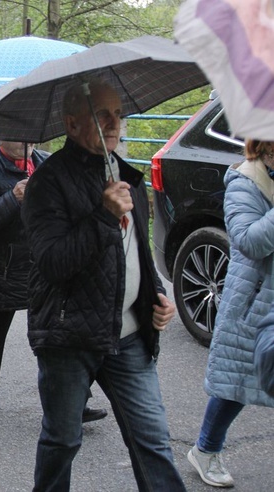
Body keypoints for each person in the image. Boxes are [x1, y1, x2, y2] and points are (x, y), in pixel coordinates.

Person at [21, 79, 185, 491]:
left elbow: (136, 253)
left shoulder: (128, 176)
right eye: (103, 114)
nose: (115, 123)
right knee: (62, 440)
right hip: (68, 336)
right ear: (73, 124)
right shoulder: (47, 183)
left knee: (153, 440)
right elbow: (52, 263)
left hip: (128, 334)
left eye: (118, 114)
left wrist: (156, 294)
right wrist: (102, 215)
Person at [0, 141, 108, 423]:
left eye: (26, 138)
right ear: (0, 135)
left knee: (59, 338)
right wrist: (12, 197)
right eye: (15, 136)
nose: (22, 143)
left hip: (48, 264)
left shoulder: (47, 163)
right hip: (4, 268)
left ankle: (74, 403)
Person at [186, 139, 274, 488]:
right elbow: (249, 241)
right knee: (235, 382)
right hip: (254, 301)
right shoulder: (244, 182)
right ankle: (206, 449)